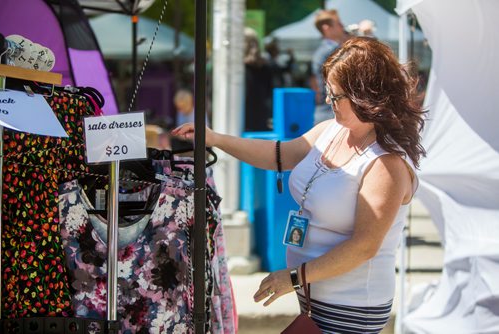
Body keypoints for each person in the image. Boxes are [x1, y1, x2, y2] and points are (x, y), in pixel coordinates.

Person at [172, 37, 426, 333]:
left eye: (336, 96)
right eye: (328, 95)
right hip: (316, 301)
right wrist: (216, 139)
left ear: (366, 94)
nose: (328, 103)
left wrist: (292, 277)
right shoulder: (332, 131)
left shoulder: (386, 163)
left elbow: (364, 247)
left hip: (352, 306)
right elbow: (278, 155)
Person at [310, 9, 350, 125]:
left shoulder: (327, 49)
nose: (343, 27)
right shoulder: (330, 51)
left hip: (328, 112)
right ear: (326, 28)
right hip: (330, 113)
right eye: (338, 23)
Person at [244, 27, 274, 131]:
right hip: (261, 117)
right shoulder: (266, 66)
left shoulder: (236, 70)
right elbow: (269, 92)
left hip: (241, 119)